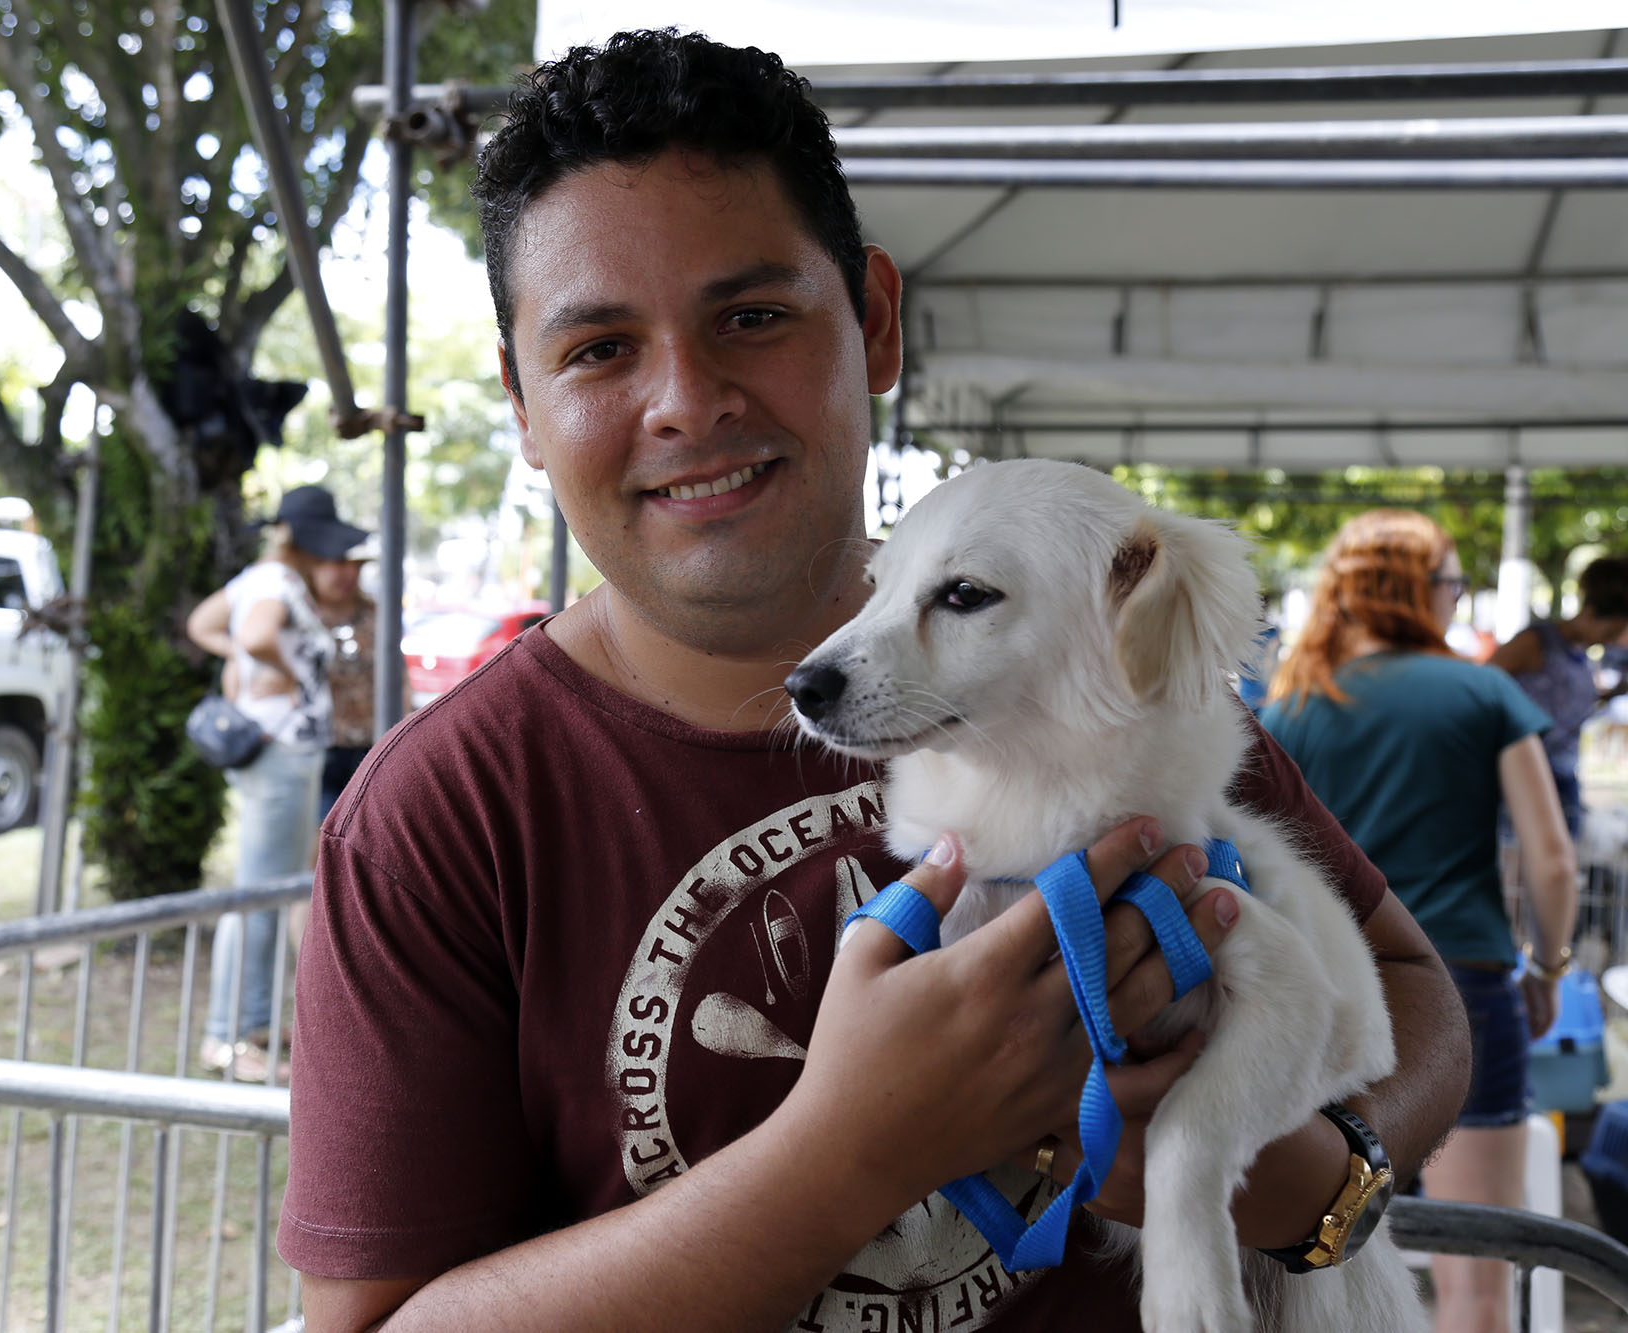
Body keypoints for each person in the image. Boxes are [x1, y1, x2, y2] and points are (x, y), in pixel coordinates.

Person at [279, 31, 1469, 1331]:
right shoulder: (435, 820)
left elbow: (1414, 999)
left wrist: (1306, 1181)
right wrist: (847, 1153)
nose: (686, 399)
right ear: (519, 404)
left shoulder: (1094, 671)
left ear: (876, 325)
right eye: (599, 350)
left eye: (751, 315)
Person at [1260, 510, 1579, 1333]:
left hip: (1322, 1008)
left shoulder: (1295, 701)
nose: (1457, 597)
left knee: (1317, 1273)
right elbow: (1552, 861)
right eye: (1451, 583)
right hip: (1459, 994)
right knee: (1477, 1277)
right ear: (1414, 589)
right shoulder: (1482, 690)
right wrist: (1548, 968)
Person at [184, 485, 357, 1081]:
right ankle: (227, 1040)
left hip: (278, 751)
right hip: (280, 750)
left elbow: (203, 623)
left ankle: (250, 1025)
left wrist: (241, 659)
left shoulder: (254, 579)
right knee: (256, 895)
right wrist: (268, 666)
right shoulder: (278, 584)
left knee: (267, 890)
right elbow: (258, 636)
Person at [1487, 555, 1628, 841]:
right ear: (1589, 614)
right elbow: (1481, 684)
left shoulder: (1580, 654)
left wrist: (1613, 692)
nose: (1612, 640)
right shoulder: (1536, 642)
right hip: (1522, 777)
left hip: (1560, 777)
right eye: (1611, 631)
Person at [303, 523, 383, 824]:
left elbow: (397, 677)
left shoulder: (375, 612)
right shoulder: (301, 616)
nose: (346, 573)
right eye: (337, 564)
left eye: (354, 566)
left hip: (369, 744)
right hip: (319, 746)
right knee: (319, 831)